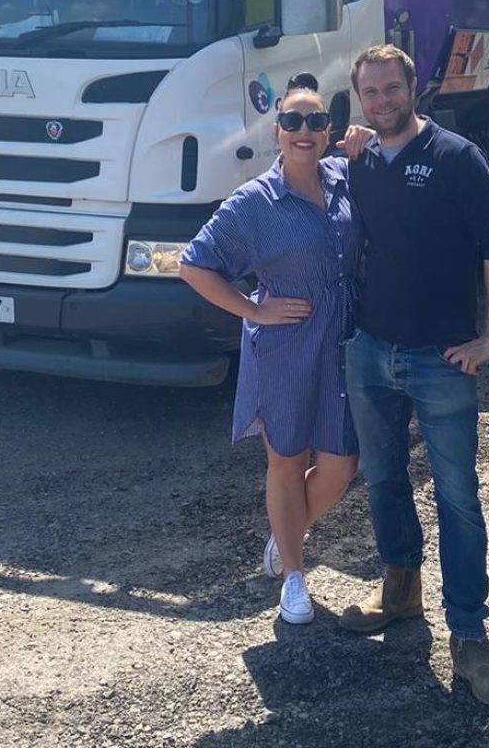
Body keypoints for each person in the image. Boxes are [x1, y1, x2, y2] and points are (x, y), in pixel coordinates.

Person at [339, 43, 489, 708]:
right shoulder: (358, 160)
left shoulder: (455, 157)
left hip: (441, 358)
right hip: (371, 350)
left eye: (392, 89)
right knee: (382, 478)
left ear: (412, 87)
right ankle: (399, 589)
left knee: (457, 501)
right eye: (371, 92)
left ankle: (470, 639)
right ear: (359, 97)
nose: (382, 101)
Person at [179, 82, 360, 626]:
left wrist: (367, 142)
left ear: (329, 129)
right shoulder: (252, 203)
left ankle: (287, 534)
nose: (304, 132)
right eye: (293, 122)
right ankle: (294, 577)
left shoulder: (346, 178)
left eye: (316, 121)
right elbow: (194, 265)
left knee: (342, 464)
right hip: (286, 344)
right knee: (287, 458)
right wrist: (252, 311)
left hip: (344, 342)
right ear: (276, 131)